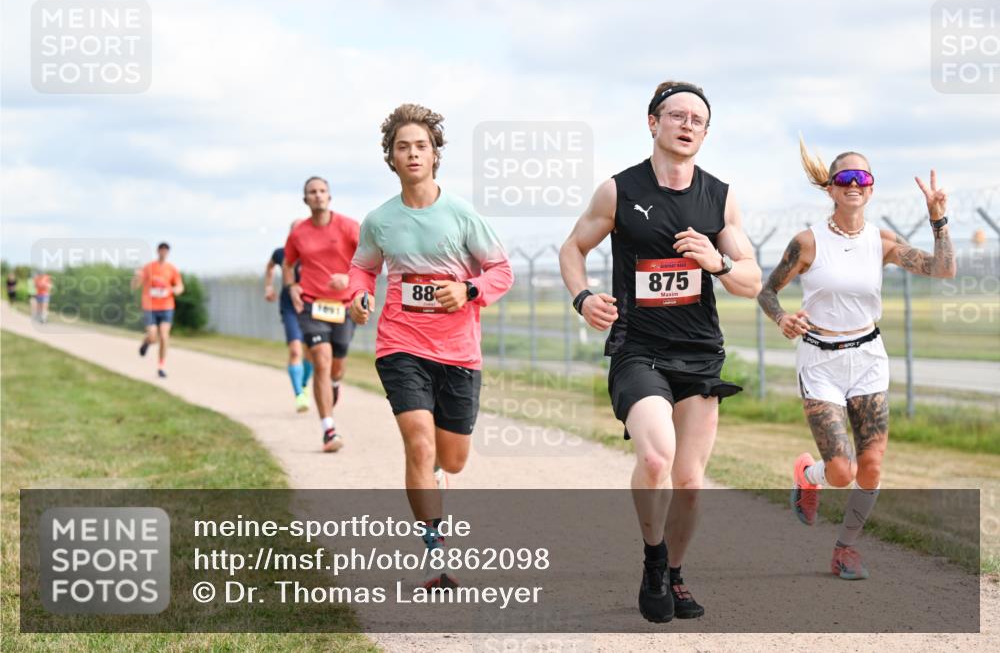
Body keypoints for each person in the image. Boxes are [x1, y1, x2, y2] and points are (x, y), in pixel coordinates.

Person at [559, 81, 762, 623]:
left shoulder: (719, 197)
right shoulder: (619, 191)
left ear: (706, 133)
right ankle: (653, 560)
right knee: (655, 458)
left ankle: (674, 573)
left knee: (690, 482)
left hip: (699, 352)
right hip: (639, 349)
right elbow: (573, 247)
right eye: (677, 115)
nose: (688, 125)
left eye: (698, 119)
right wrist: (583, 298)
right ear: (653, 122)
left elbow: (751, 280)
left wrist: (716, 262)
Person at [757, 139, 956, 580]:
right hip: (820, 361)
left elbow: (943, 269)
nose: (853, 184)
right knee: (842, 472)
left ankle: (845, 549)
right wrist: (783, 318)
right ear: (830, 188)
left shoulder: (881, 241)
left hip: (868, 357)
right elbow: (767, 292)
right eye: (844, 178)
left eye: (862, 177)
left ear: (871, 188)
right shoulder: (807, 242)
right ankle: (808, 475)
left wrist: (938, 218)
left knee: (871, 466)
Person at [348, 103, 513, 590]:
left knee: (452, 458)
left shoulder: (461, 214)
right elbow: (363, 268)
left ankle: (439, 472)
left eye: (421, 146)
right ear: (391, 157)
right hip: (400, 344)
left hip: (458, 351)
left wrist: (468, 290)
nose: (413, 154)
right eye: (403, 147)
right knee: (418, 443)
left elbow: (501, 271)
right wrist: (357, 295)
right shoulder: (380, 220)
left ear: (435, 154)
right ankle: (435, 552)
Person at [284, 177, 360, 452]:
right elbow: (288, 264)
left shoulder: (349, 227)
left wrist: (349, 278)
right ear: (305, 199)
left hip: (344, 306)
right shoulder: (299, 233)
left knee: (336, 366)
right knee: (321, 360)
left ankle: (335, 383)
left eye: (322, 191)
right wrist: (292, 286)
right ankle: (329, 430)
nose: (317, 195)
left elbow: (369, 259)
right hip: (312, 305)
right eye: (312, 192)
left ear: (329, 196)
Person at [265, 219, 314, 413]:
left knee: (311, 353)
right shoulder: (281, 253)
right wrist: (268, 287)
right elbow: (269, 267)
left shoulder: (315, 253)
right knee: (295, 351)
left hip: (311, 307)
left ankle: (304, 384)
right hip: (290, 308)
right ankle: (299, 395)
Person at [132, 242, 184, 378]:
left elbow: (180, 287)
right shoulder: (148, 268)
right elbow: (135, 286)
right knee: (153, 336)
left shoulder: (171, 269)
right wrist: (136, 277)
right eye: (161, 250)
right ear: (158, 251)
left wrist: (174, 290)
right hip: (150, 307)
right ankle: (146, 342)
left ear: (168, 253)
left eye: (166, 251)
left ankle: (161, 366)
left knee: (164, 336)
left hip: (167, 307)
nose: (163, 253)